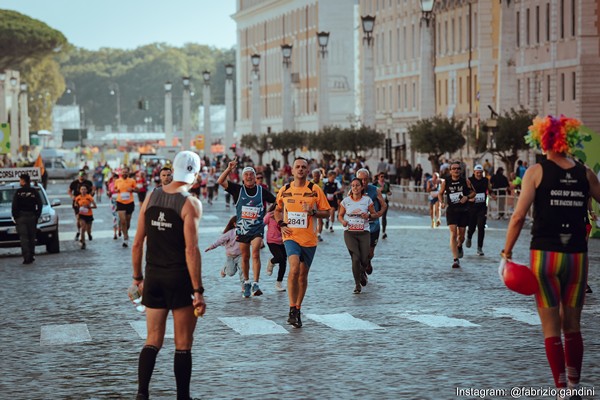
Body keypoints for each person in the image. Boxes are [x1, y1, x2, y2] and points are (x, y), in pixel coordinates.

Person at [501, 115, 600, 400]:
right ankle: (575, 385)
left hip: (544, 256)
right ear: (568, 141)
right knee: (573, 325)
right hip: (577, 258)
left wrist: (506, 253)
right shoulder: (585, 172)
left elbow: (518, 216)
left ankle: (561, 390)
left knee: (550, 327)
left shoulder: (535, 172)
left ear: (542, 140)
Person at [131, 150, 205, 400]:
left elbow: (138, 243)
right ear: (195, 173)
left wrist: (137, 278)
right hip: (179, 278)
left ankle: (142, 393)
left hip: (153, 277)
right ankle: (182, 397)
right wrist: (198, 291)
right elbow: (191, 250)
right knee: (183, 343)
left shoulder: (151, 196)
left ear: (173, 169)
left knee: (152, 339)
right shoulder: (190, 203)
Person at [274, 157, 330, 328]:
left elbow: (327, 212)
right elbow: (277, 210)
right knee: (294, 268)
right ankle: (291, 308)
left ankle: (298, 308)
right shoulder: (284, 190)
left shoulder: (314, 190)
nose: (300, 169)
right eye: (297, 167)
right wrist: (281, 224)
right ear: (291, 170)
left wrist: (313, 211)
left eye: (303, 167)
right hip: (291, 236)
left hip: (309, 239)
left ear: (307, 171)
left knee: (303, 276)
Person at [217, 158, 277, 298]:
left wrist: (270, 212)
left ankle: (256, 283)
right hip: (243, 229)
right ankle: (247, 282)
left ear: (255, 178)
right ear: (243, 178)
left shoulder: (261, 191)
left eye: (252, 174)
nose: (249, 177)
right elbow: (220, 181)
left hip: (257, 229)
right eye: (246, 175)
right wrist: (229, 169)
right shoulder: (238, 189)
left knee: (255, 252)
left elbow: (276, 201)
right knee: (245, 257)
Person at [338, 178, 377, 294]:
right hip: (349, 233)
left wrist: (368, 215)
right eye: (353, 185)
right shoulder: (345, 201)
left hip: (364, 232)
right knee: (355, 258)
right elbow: (340, 216)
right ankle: (357, 284)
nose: (355, 187)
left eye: (357, 185)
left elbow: (374, 214)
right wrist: (343, 222)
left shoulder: (367, 200)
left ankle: (361, 271)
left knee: (364, 258)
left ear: (361, 187)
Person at [438, 161, 475, 269]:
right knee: (453, 233)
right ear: (450, 171)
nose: (456, 170)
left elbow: (474, 192)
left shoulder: (465, 181)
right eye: (453, 168)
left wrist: (467, 197)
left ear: (461, 170)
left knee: (461, 236)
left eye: (458, 168)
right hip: (452, 210)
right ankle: (455, 259)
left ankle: (459, 246)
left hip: (464, 210)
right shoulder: (446, 182)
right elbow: (440, 193)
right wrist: (442, 202)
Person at [356, 168, 387, 276]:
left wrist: (378, 214)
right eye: (361, 179)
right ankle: (361, 271)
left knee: (370, 252)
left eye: (366, 179)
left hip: (373, 226)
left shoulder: (375, 190)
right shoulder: (353, 191)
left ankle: (368, 261)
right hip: (359, 226)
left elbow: (384, 205)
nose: (363, 182)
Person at [11, 173, 42, 264]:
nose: (19, 182)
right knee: (32, 237)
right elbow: (39, 204)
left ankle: (26, 257)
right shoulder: (34, 191)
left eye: (20, 180)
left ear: (24, 181)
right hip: (31, 216)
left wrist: (16, 217)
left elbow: (14, 205)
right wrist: (37, 215)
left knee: (24, 238)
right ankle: (31, 255)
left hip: (21, 217)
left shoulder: (18, 192)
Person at [465, 164, 494, 256]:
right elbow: (465, 192)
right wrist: (469, 198)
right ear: (474, 172)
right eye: (477, 173)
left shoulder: (486, 180)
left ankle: (479, 248)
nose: (479, 174)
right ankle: (469, 236)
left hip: (482, 207)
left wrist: (492, 194)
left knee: (481, 227)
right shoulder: (469, 180)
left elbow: (489, 189)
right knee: (472, 227)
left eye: (480, 173)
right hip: (472, 207)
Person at [205, 216, 243, 284]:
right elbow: (220, 241)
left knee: (243, 270)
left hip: (241, 255)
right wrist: (212, 246)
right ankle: (224, 270)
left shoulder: (245, 232)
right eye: (240, 223)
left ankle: (244, 287)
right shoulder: (230, 233)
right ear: (235, 224)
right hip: (230, 256)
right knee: (231, 273)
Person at [263, 203, 287, 292]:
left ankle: (279, 283)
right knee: (279, 258)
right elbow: (262, 224)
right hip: (272, 240)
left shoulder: (287, 215)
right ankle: (272, 261)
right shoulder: (270, 215)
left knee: (283, 261)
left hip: (283, 241)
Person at [68, 170, 94, 242]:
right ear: (78, 175)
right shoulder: (74, 183)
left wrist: (90, 196)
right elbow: (69, 191)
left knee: (87, 220)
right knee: (78, 218)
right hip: (77, 203)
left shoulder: (88, 183)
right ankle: (79, 231)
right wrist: (72, 196)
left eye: (83, 175)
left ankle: (87, 232)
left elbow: (92, 190)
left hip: (86, 204)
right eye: (80, 175)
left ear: (85, 175)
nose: (82, 176)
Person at [114, 167, 137, 247]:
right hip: (120, 202)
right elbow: (114, 189)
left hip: (130, 202)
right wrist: (116, 191)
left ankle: (123, 230)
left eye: (126, 172)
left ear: (128, 173)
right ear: (121, 173)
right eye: (123, 172)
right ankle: (125, 238)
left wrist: (133, 189)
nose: (124, 174)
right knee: (123, 221)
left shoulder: (132, 181)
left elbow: (137, 189)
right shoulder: (117, 181)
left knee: (128, 223)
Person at [74, 185, 97, 249]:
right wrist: (78, 207)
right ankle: (83, 242)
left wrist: (89, 207)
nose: (83, 191)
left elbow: (95, 206)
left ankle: (89, 234)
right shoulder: (78, 197)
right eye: (82, 189)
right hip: (82, 215)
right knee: (83, 228)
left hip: (89, 215)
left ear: (86, 190)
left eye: (84, 189)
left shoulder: (89, 197)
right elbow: (75, 204)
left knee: (88, 230)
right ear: (80, 191)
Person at [374, 173, 391, 239]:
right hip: (377, 202)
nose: (383, 178)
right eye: (381, 176)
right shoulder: (375, 184)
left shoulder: (386, 184)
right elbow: (373, 192)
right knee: (376, 216)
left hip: (385, 202)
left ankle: (384, 232)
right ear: (378, 177)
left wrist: (389, 193)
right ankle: (375, 230)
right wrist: (379, 191)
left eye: (384, 177)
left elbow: (388, 191)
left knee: (384, 217)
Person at [311, 168, 325, 242]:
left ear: (320, 176)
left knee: (320, 220)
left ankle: (319, 234)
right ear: (312, 176)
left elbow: (323, 193)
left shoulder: (322, 183)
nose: (316, 177)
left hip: (320, 203)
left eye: (317, 176)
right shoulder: (309, 183)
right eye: (315, 176)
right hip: (311, 204)